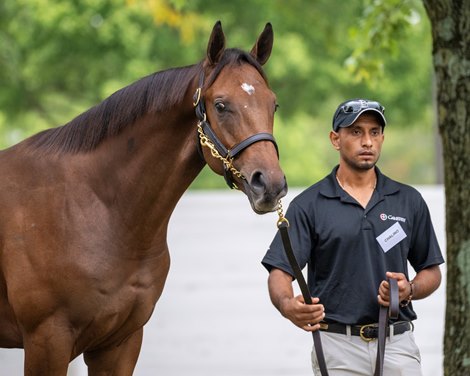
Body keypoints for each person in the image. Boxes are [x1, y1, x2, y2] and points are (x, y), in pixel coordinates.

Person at [262, 99, 444, 375]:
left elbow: (431, 271)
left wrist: (410, 290)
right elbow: (279, 272)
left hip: (398, 343)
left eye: (374, 132)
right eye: (356, 132)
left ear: (383, 137)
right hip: (338, 345)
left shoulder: (409, 201)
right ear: (336, 139)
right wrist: (288, 306)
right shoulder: (309, 204)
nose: (367, 141)